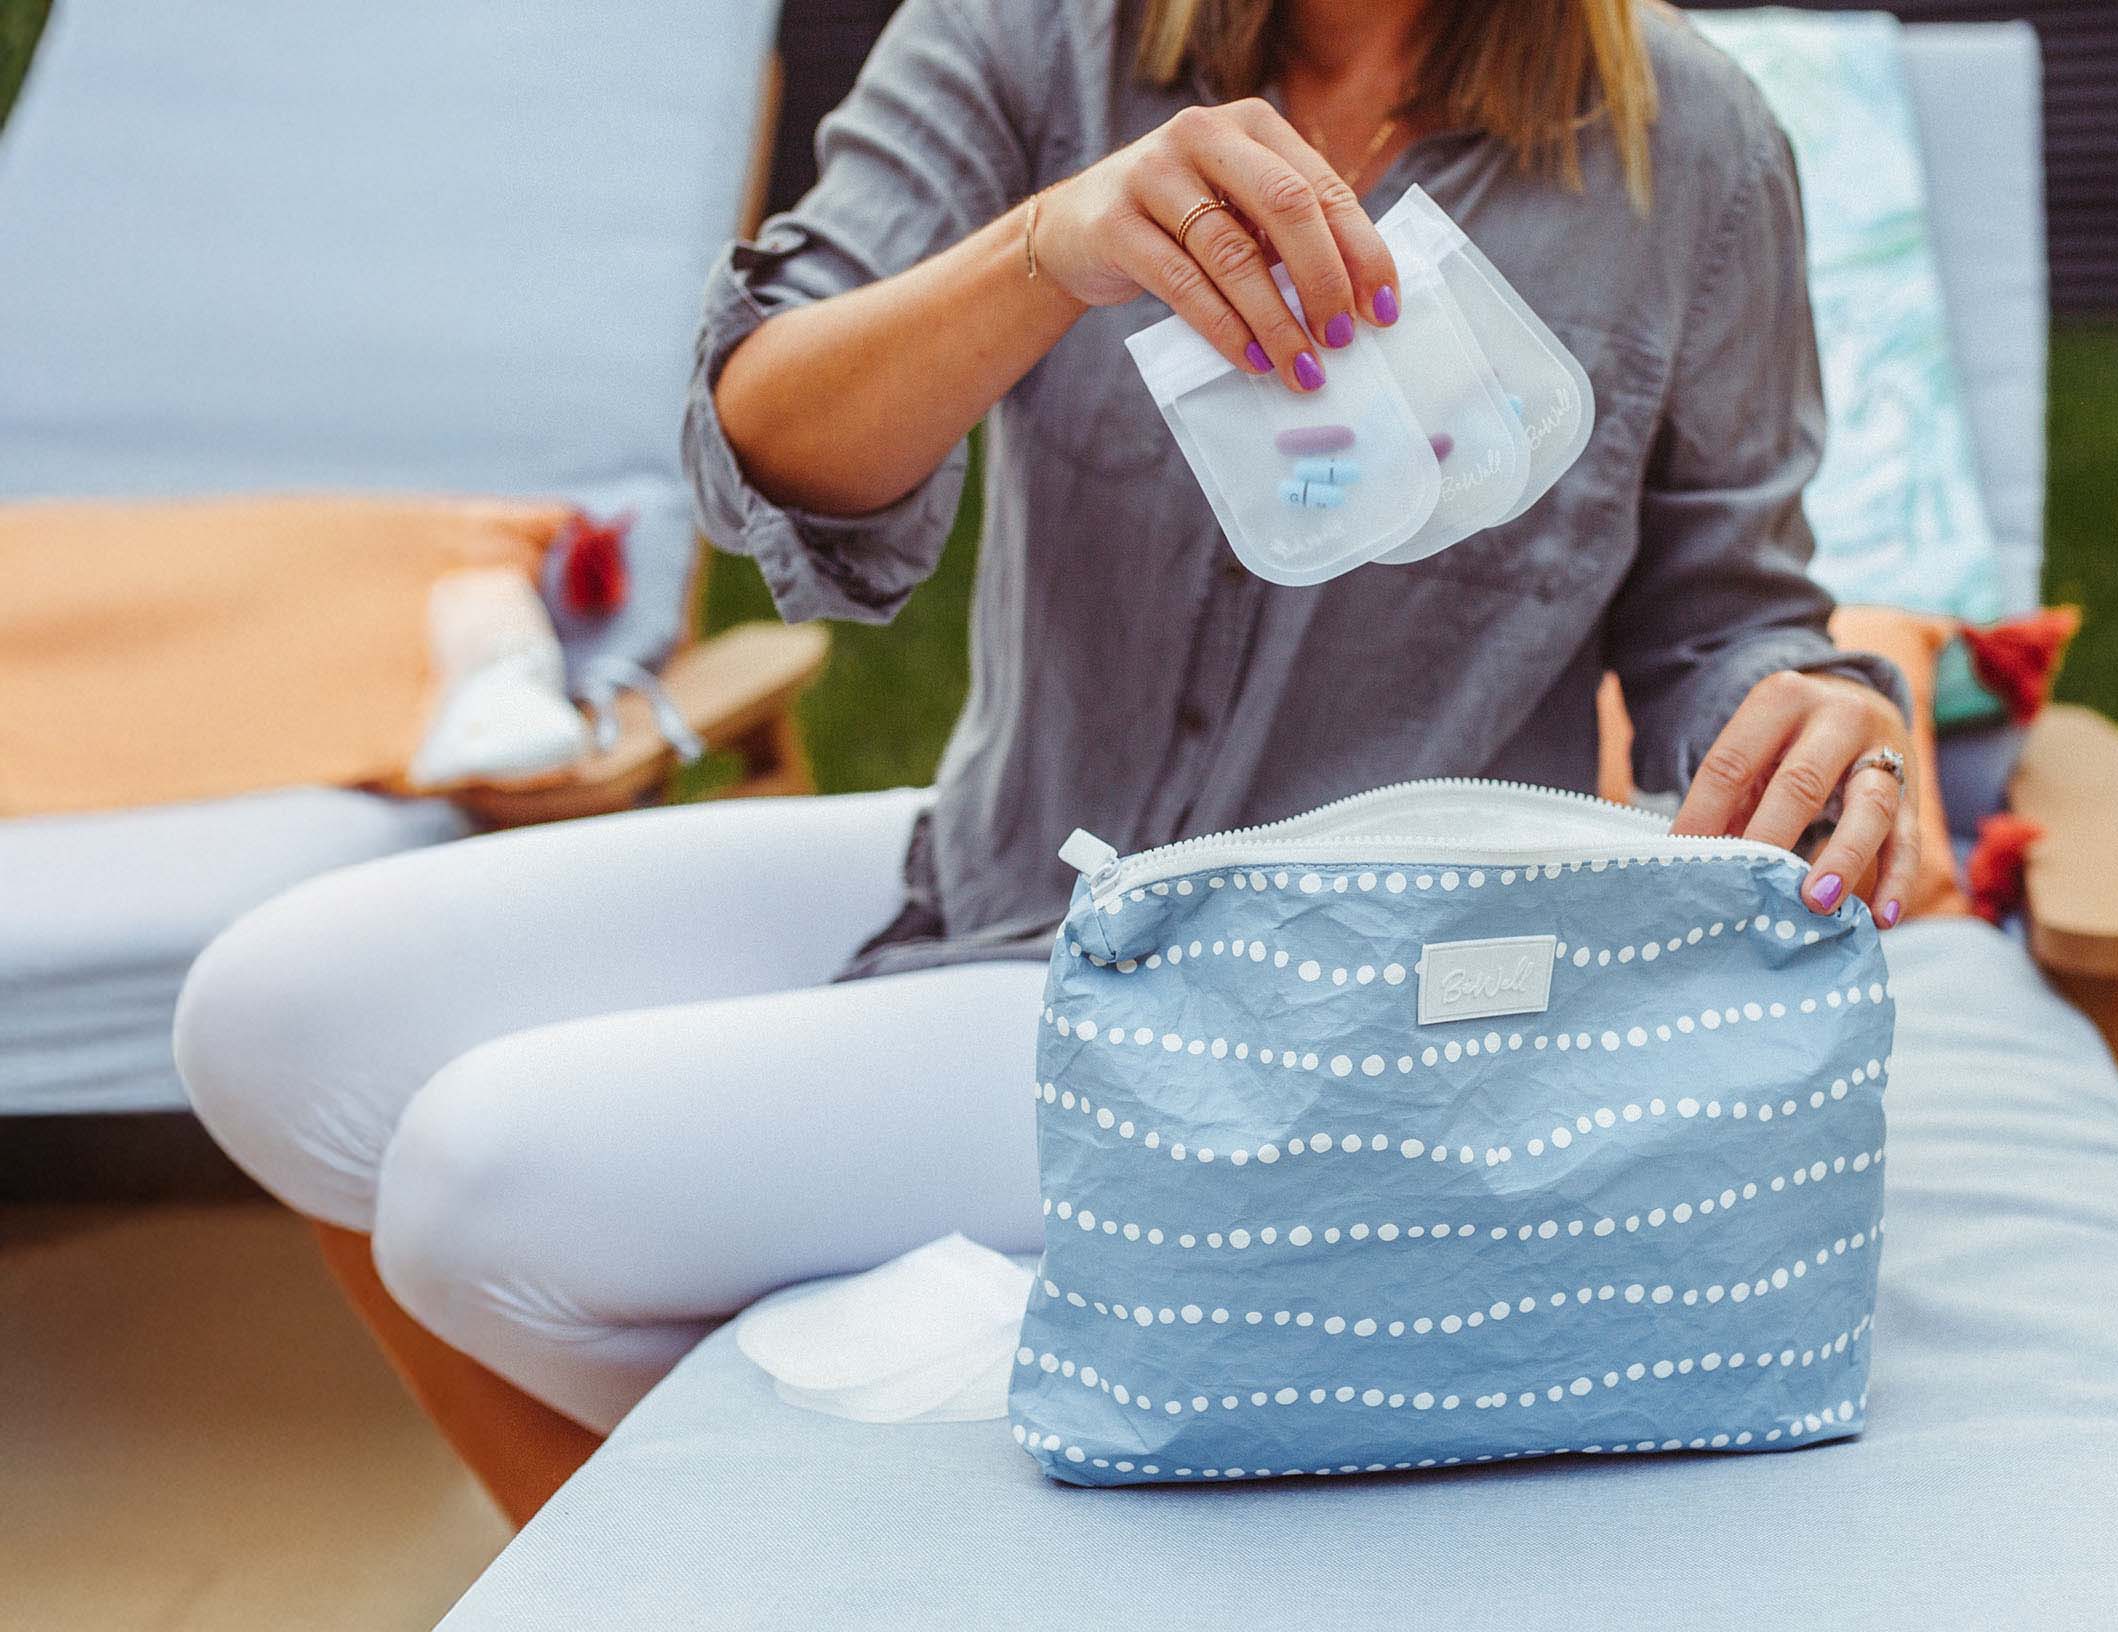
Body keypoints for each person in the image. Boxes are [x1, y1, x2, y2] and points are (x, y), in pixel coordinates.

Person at [175, 0, 1926, 1522]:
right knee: (264, 1017)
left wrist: (1821, 708)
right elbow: (764, 432)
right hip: (1014, 858)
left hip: (1305, 1020)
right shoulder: (1030, 37)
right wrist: (1050, 250)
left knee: (484, 1179)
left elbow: (1727, 619)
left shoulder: (1689, 148)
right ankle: (667, 1573)